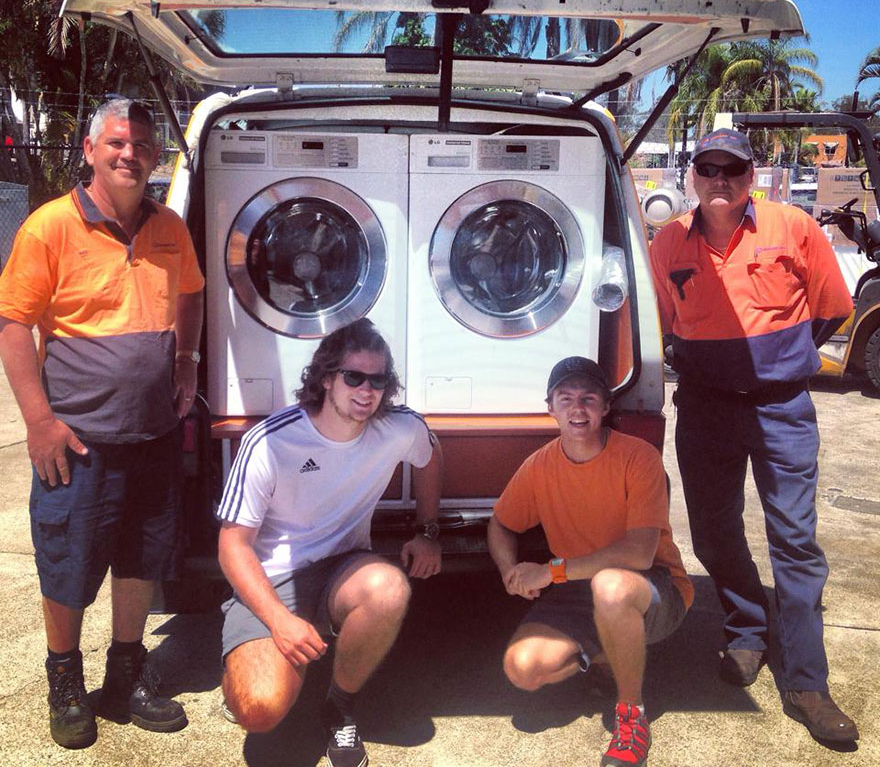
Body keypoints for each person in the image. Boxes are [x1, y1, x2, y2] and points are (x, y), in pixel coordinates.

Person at [0, 98, 204, 749]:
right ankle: (65, 680)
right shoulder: (49, 227)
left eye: (142, 145)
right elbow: (13, 327)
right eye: (117, 142)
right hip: (76, 438)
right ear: (89, 150)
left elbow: (192, 292)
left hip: (153, 434)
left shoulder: (170, 227)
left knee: (141, 559)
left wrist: (188, 364)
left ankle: (126, 675)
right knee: (67, 561)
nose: (130, 154)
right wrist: (38, 421)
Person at [649, 128, 858, 744]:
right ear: (692, 175)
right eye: (707, 168)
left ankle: (807, 683)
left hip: (781, 409)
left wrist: (774, 366)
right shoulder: (666, 245)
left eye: (732, 170)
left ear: (752, 175)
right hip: (706, 410)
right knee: (712, 531)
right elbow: (663, 323)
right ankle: (746, 630)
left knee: (794, 539)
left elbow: (830, 309)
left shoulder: (793, 228)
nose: (720, 179)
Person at [217, 317, 443, 767]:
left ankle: (339, 707)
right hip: (272, 581)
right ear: (326, 378)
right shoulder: (269, 442)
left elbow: (431, 454)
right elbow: (232, 546)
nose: (366, 390)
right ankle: (244, 665)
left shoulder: (398, 428)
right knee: (259, 710)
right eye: (353, 376)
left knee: (390, 587)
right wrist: (280, 620)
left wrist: (428, 530)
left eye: (378, 380)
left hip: (344, 568)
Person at [488, 357, 692, 767]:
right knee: (522, 669)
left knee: (611, 587)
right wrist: (509, 570)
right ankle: (602, 657)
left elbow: (638, 553)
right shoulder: (540, 464)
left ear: (605, 408)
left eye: (588, 398)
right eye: (566, 399)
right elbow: (501, 524)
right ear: (550, 407)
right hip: (578, 588)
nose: (577, 409)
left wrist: (549, 571)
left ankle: (632, 716)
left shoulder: (638, 457)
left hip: (650, 586)